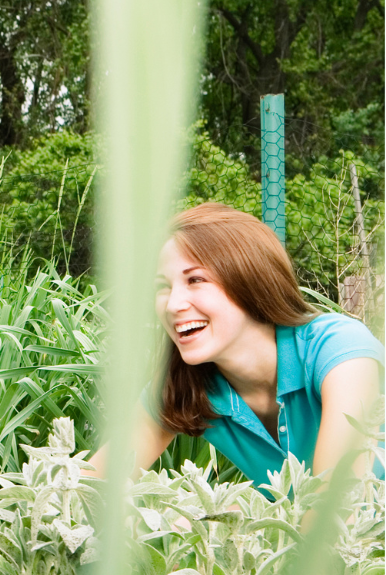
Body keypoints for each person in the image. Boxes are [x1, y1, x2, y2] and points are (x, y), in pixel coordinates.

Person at [93, 202, 382, 488]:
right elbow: (90, 482)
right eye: (161, 287)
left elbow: (333, 510)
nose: (172, 305)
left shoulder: (340, 351)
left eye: (195, 279)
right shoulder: (187, 385)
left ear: (249, 279)